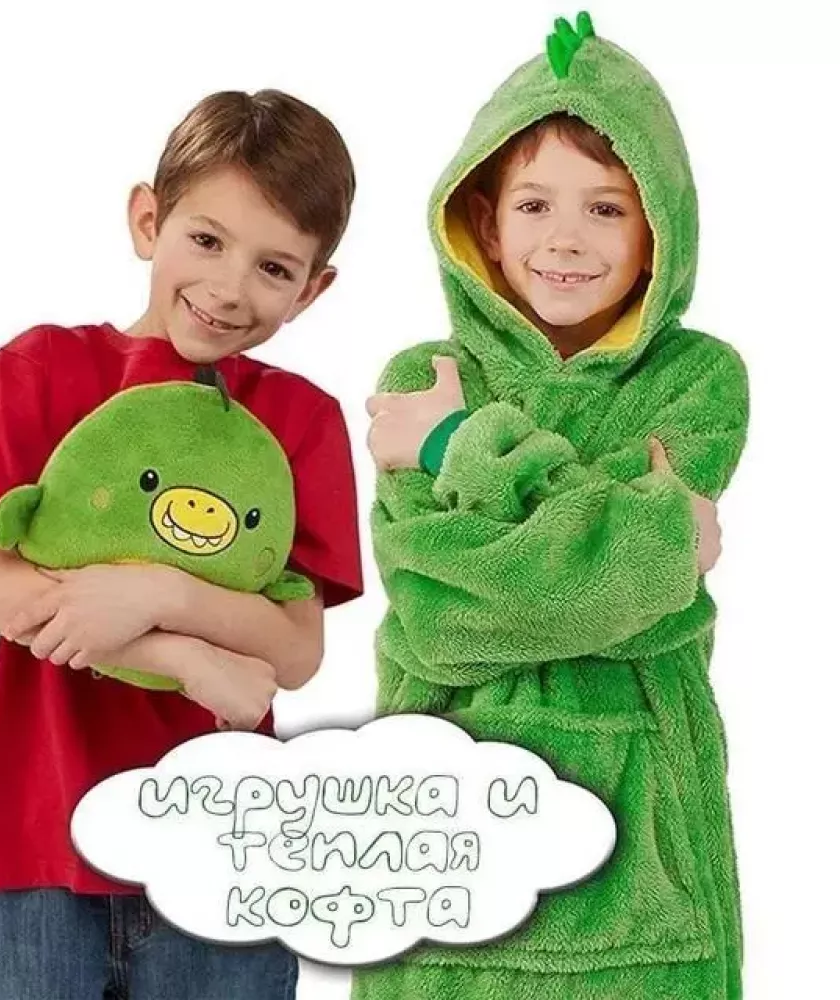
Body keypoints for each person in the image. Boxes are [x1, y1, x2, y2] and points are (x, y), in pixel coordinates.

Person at [0, 88, 362, 1000]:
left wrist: (163, 595)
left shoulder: (300, 421)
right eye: (206, 240)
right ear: (147, 220)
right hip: (37, 842)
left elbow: (295, 651)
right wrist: (184, 659)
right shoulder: (42, 368)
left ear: (313, 289)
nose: (229, 288)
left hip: (222, 859)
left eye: (274, 268)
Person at [357, 12, 747, 1000]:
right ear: (485, 226)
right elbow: (441, 616)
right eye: (533, 205)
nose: (565, 239)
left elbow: (619, 582)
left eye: (606, 209)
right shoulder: (423, 376)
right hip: (447, 823)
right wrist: (650, 540)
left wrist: (456, 448)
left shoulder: (697, 381)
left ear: (659, 233)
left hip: (645, 829)